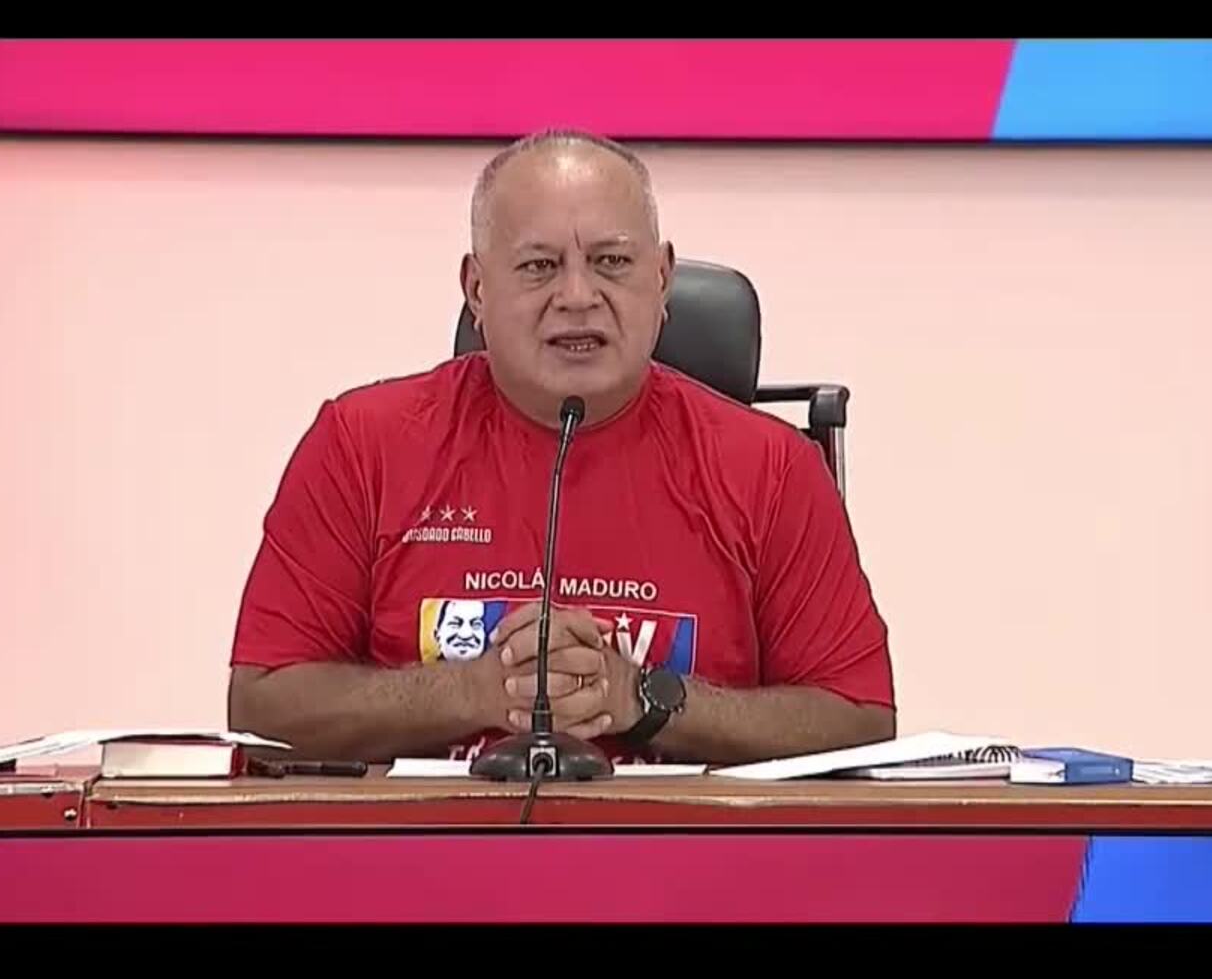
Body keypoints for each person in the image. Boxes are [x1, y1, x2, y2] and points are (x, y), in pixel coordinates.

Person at [228, 129, 896, 765]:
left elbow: (859, 719)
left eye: (612, 262)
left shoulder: (770, 467)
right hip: (431, 843)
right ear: (477, 289)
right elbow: (262, 707)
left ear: (662, 280)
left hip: (683, 845)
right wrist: (475, 689)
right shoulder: (362, 445)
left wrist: (644, 699)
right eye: (539, 266)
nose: (577, 296)